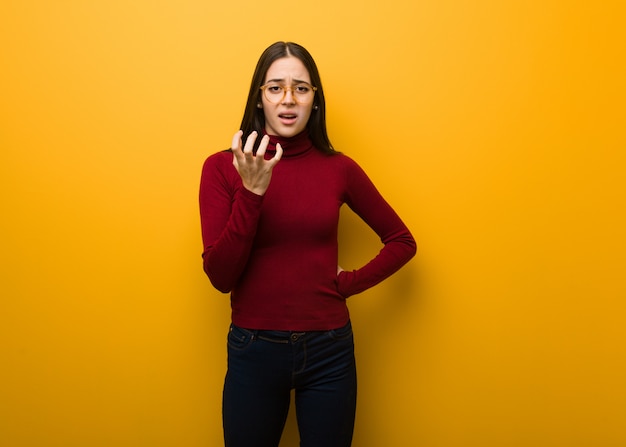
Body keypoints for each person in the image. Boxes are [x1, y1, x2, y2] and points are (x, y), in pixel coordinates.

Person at [199, 41, 416, 447]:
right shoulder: (221, 167)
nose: (288, 99)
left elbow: (402, 241)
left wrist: (346, 284)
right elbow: (220, 276)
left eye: (301, 88)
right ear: (259, 98)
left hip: (329, 349)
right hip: (254, 348)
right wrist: (252, 192)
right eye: (275, 87)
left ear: (315, 101)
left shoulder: (339, 168)